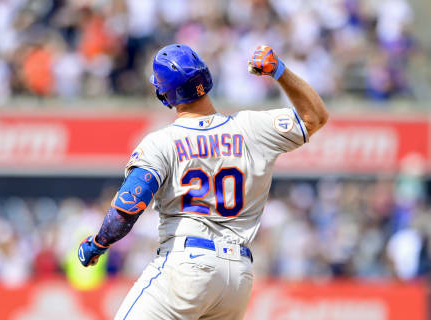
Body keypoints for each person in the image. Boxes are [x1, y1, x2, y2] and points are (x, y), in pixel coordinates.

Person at [78, 44, 328, 320]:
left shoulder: (162, 142)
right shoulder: (251, 128)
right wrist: (279, 70)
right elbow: (315, 116)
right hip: (237, 276)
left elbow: (127, 207)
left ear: (164, 94)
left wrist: (98, 243)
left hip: (187, 265)